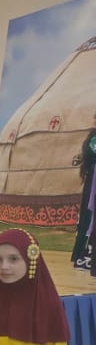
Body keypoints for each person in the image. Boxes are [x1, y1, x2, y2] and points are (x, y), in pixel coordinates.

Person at [74, 112, 96, 272]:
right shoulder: (92, 137)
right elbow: (89, 155)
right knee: (89, 216)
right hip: (93, 180)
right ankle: (84, 256)